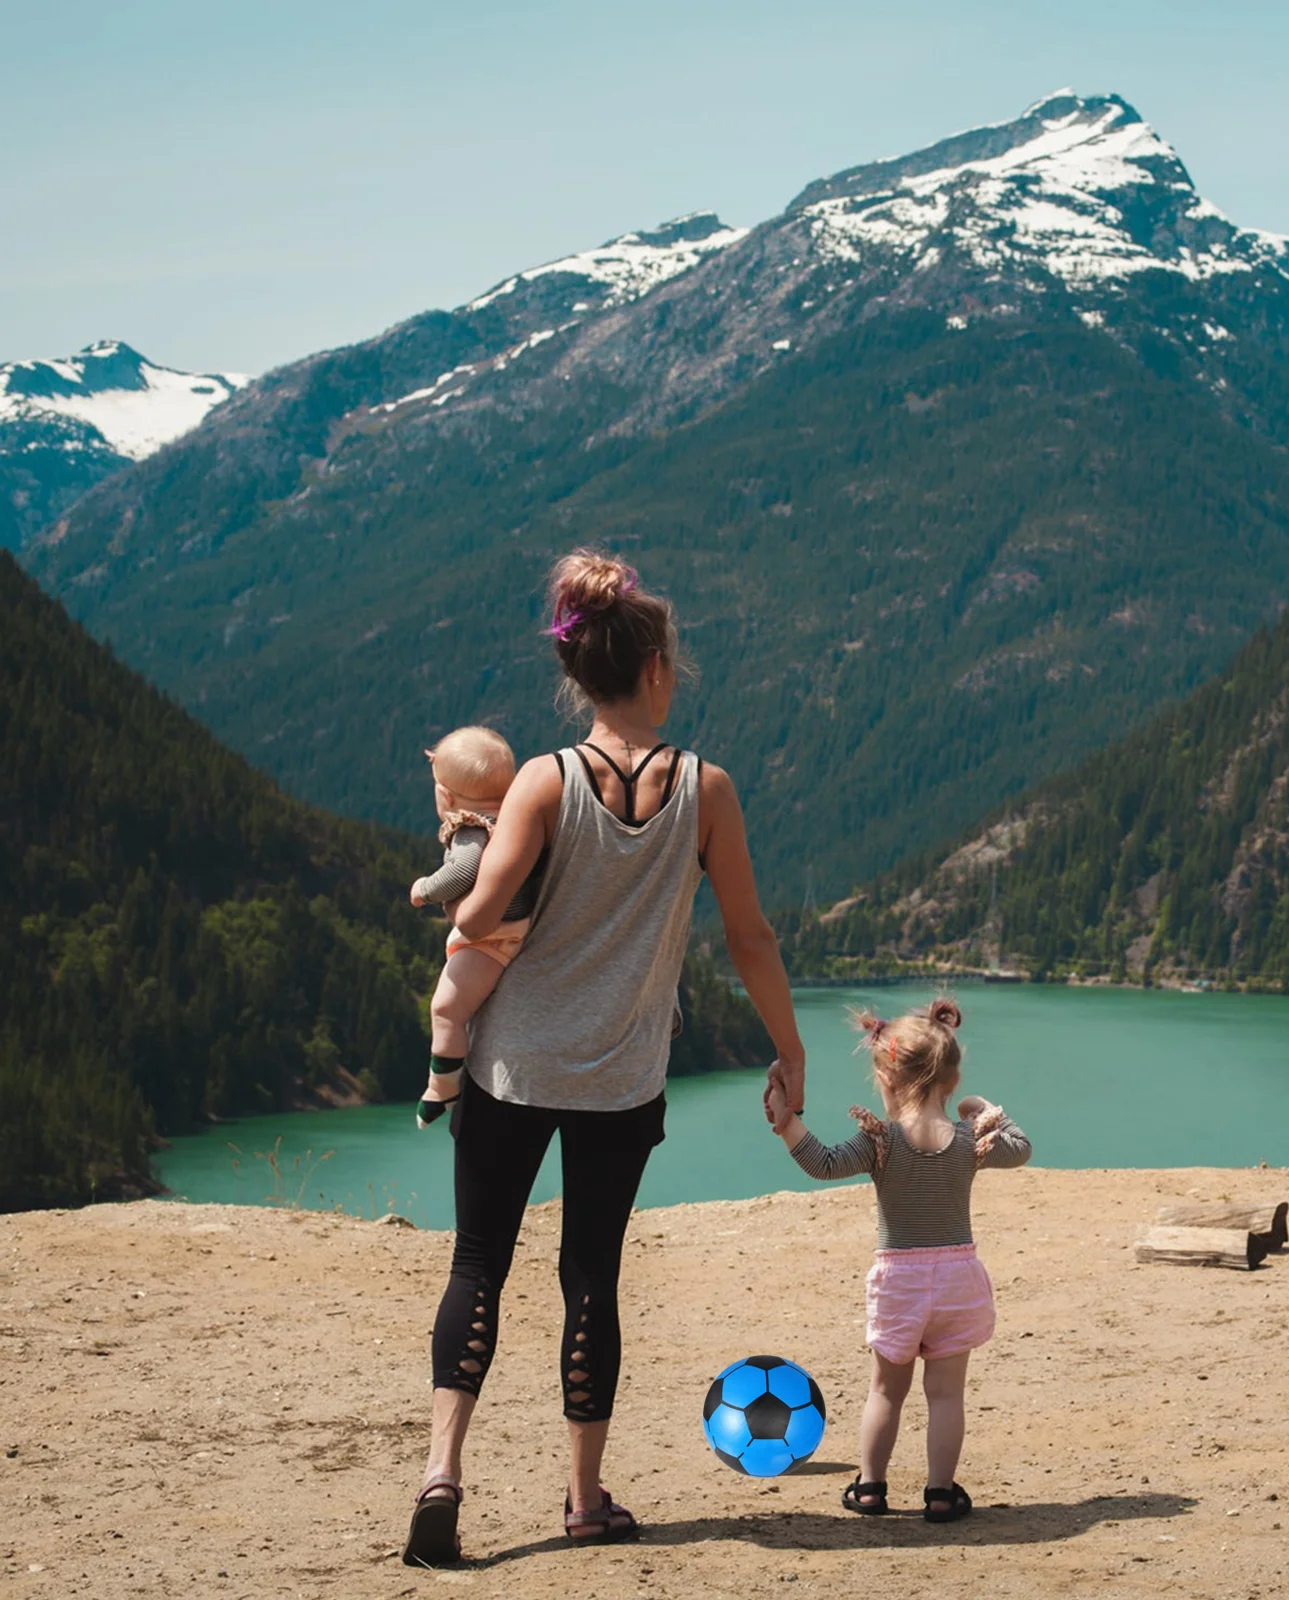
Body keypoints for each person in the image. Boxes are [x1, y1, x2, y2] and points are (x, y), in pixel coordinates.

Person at [403, 549, 806, 1566]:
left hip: (509, 1070)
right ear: (659, 667)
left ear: (578, 676)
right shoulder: (706, 790)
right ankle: (584, 1499)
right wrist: (790, 1047)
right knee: (592, 1277)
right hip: (621, 1080)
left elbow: (486, 908)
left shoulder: (542, 780)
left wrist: (466, 877)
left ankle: (442, 1476)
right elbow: (749, 936)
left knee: (478, 1264)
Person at [767, 998, 1030, 1524]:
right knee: (946, 1394)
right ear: (951, 1082)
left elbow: (821, 1163)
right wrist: (983, 1110)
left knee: (886, 1390)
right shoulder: (968, 1141)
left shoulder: (881, 1142)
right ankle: (939, 1493)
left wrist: (786, 1122)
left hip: (900, 1284)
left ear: (885, 1079)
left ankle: (870, 1488)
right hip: (958, 1280)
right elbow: (1020, 1147)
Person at [408, 726, 527, 1129]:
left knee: (445, 1009)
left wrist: (425, 889)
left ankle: (441, 1087)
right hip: (525, 928)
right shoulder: (518, 819)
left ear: (446, 796)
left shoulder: (470, 829)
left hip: (495, 940)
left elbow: (463, 871)